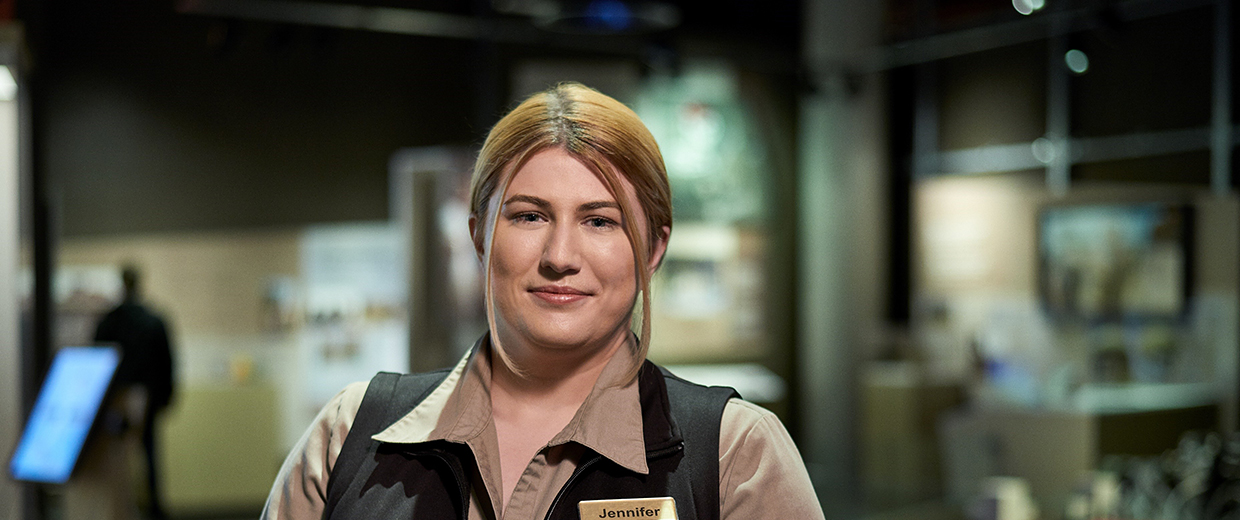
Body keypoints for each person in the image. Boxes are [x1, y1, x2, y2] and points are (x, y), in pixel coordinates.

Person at [261, 82, 824, 519]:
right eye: (530, 216)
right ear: (480, 236)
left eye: (600, 221)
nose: (560, 255)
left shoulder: (734, 455)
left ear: (653, 248)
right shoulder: (352, 435)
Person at [94, 265, 176, 520]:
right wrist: (165, 396)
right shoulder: (152, 320)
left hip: (118, 398)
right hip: (146, 396)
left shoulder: (110, 321)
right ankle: (151, 506)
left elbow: (100, 359)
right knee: (146, 454)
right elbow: (167, 362)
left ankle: (128, 507)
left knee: (120, 457)